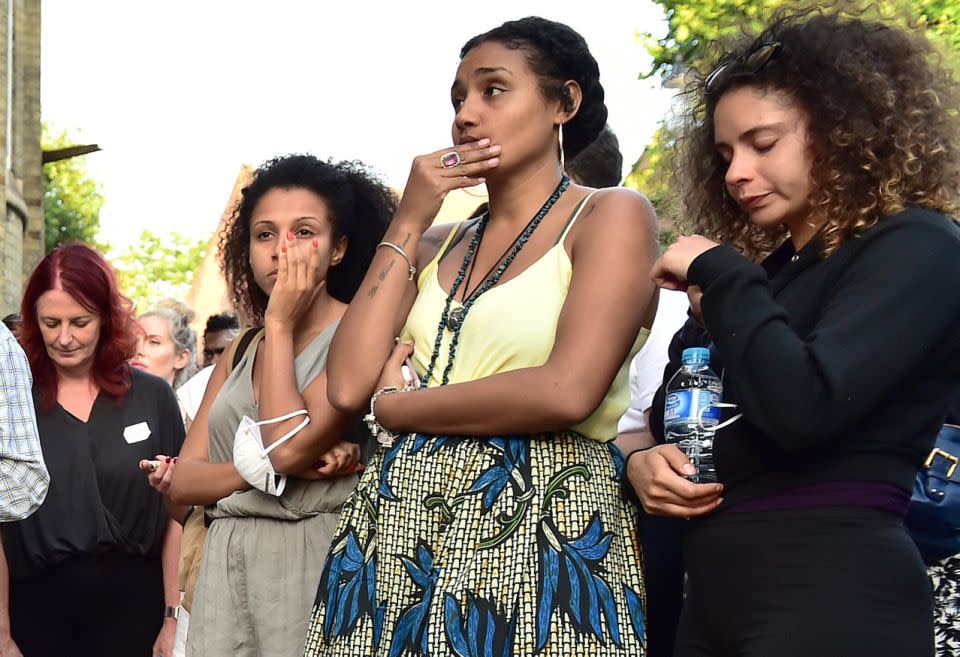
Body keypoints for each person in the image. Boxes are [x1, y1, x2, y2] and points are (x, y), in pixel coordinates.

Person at [305, 17, 657, 656]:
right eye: (458, 98)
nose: (466, 115)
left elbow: (566, 390)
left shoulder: (610, 215)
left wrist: (400, 407)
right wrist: (410, 216)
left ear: (564, 103)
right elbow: (349, 383)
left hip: (544, 520)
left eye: (493, 90)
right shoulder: (437, 241)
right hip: (393, 528)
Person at [627, 9, 960, 657]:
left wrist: (722, 274)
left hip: (833, 592)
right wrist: (643, 464)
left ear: (842, 131)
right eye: (724, 154)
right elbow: (685, 421)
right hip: (712, 600)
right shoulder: (760, 279)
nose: (734, 173)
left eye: (763, 143)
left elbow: (804, 406)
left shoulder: (919, 245)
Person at [167, 154, 393, 657]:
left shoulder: (362, 335)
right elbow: (182, 485)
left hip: (316, 560)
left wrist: (281, 324)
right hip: (226, 565)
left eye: (303, 232)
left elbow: (283, 443)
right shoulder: (241, 350)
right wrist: (262, 469)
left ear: (338, 249)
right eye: (265, 234)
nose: (282, 250)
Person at [0, 243, 186, 657]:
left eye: (79, 322)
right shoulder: (13, 399)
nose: (64, 338)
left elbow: (180, 514)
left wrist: (173, 618)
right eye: (51, 323)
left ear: (106, 318)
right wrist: (1, 631)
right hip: (35, 616)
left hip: (137, 613)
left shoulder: (152, 396)